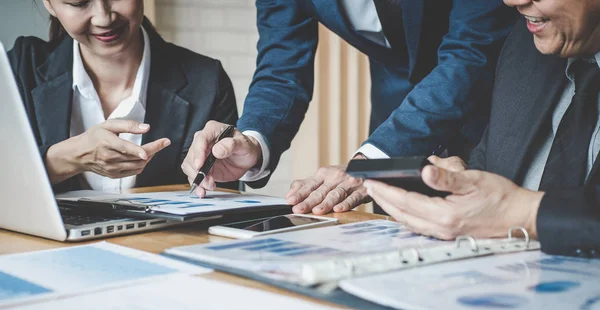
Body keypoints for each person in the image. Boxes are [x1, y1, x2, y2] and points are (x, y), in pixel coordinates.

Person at [181, 1, 517, 211]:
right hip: (394, 118)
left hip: (502, 112)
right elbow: (282, 65)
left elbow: (472, 53)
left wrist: (372, 160)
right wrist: (253, 141)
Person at [364, 0, 600, 257]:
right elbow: (490, 177)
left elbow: (510, 207)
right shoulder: (524, 45)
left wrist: (526, 213)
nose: (512, 1)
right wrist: (456, 187)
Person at [9, 0, 237, 194]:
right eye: (79, 2)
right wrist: (69, 158)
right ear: (48, 3)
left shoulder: (207, 82)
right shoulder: (19, 70)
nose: (103, 18)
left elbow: (228, 206)